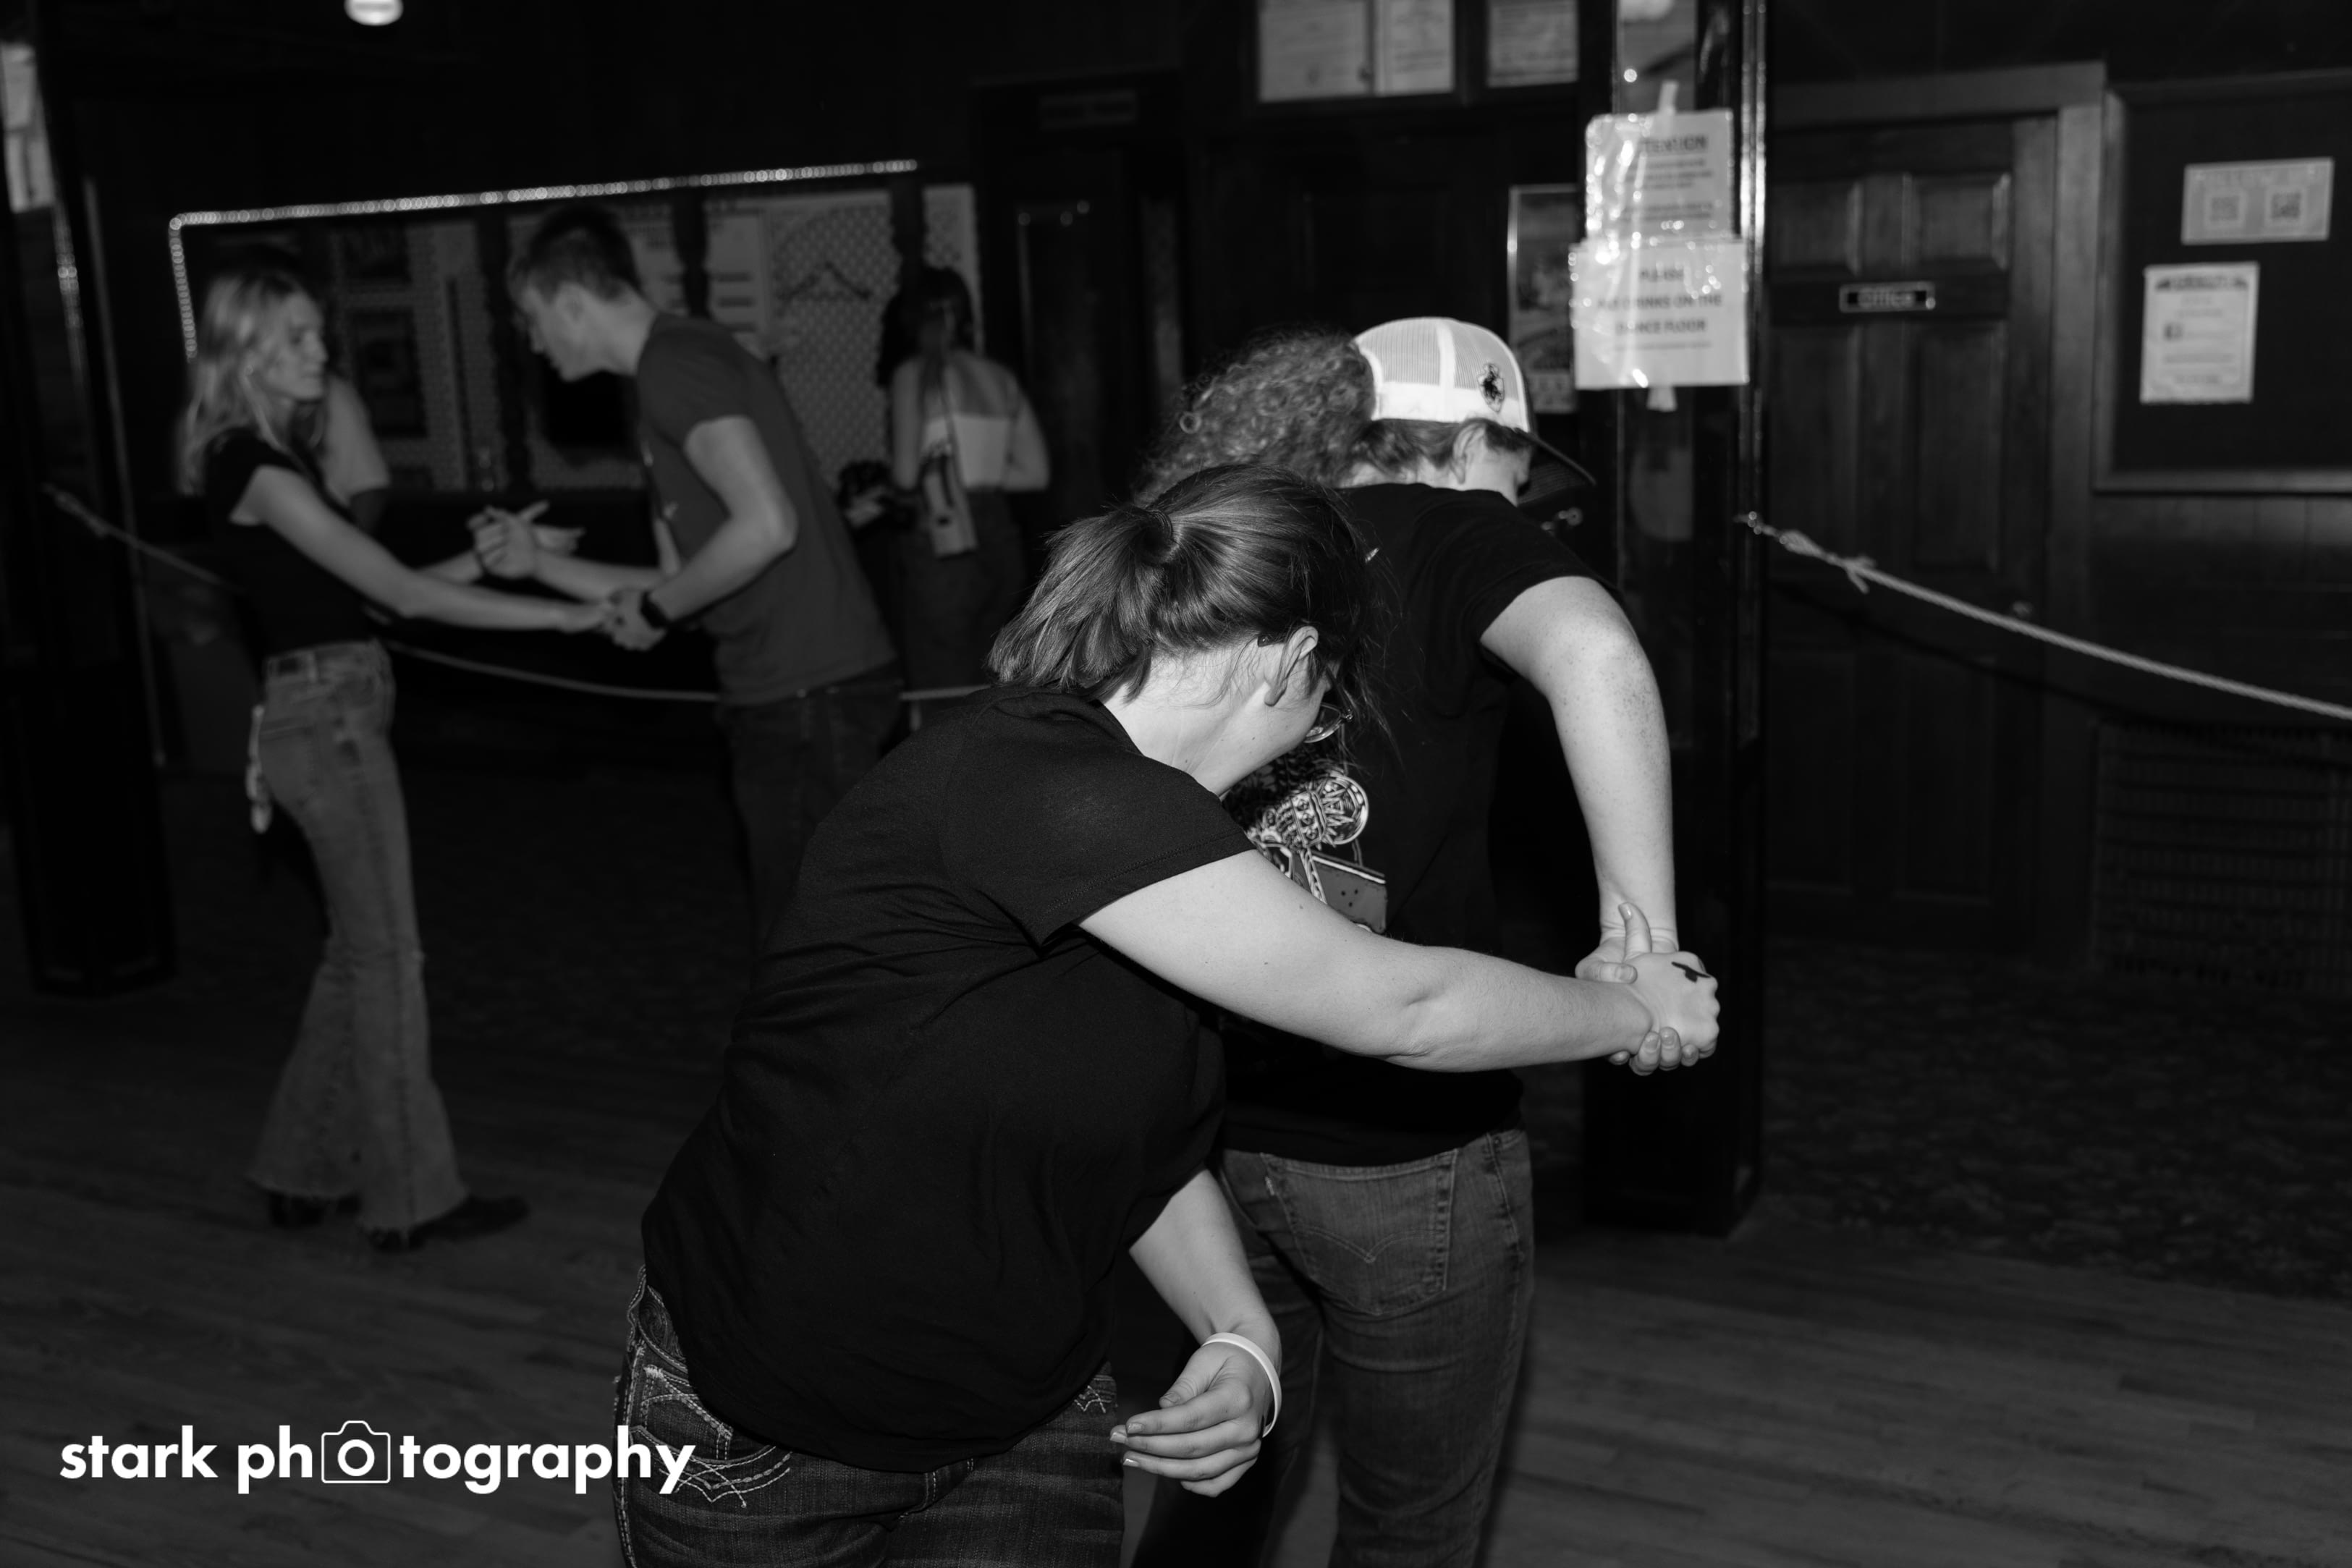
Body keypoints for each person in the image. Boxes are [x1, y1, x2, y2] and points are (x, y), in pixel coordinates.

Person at [614, 463, 1717, 1568]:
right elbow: (1407, 1006)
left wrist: (1243, 1334)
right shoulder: (1046, 782)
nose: (1322, 731)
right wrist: (1631, 1005)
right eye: (1333, 694)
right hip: (775, 1423)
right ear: (1289, 659)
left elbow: (1145, 1146)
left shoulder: (1174, 837)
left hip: (1027, 1406)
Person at [1130, 320, 1699, 1567]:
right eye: (1519, 465)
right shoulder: (1456, 527)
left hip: (1202, 1128)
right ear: (1472, 440)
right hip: (1404, 1147)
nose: (1521, 496)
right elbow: (1597, 650)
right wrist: (1644, 950)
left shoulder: (1248, 538)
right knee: (1410, 1530)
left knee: (1223, 1481)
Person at [179, 262, 612, 1251]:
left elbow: (363, 595)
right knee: (388, 960)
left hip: (328, 706)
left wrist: (486, 556)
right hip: (324, 716)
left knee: (357, 954)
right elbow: (400, 598)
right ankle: (414, 1196)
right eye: (293, 337)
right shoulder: (254, 465)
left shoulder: (266, 462)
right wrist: (570, 614)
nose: (319, 350)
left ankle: (300, 1167)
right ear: (244, 355)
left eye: (315, 331)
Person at [481, 205, 900, 941]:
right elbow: (680, 580)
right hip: (792, 690)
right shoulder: (666, 372)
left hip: (808, 688)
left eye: (532, 319)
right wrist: (540, 564)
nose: (534, 343)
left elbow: (766, 527)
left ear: (570, 303)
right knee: (816, 942)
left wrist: (656, 610)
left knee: (814, 949)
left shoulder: (673, 365)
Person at [885, 265, 1049, 688]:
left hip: (943, 536)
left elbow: (906, 474)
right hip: (999, 534)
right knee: (992, 674)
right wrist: (981, 473)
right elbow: (1035, 473)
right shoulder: (1000, 377)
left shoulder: (913, 376)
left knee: (942, 681)